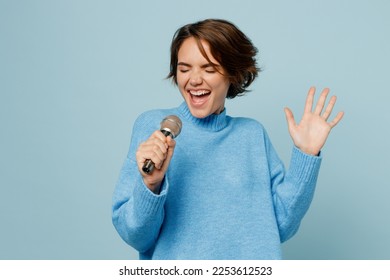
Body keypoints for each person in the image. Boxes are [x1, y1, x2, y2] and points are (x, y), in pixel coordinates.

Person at [112, 19, 344, 260]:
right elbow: (136, 236)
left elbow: (279, 227)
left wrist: (305, 155)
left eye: (209, 69)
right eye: (184, 69)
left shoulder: (252, 136)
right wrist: (150, 185)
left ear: (232, 74)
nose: (194, 80)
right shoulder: (154, 128)